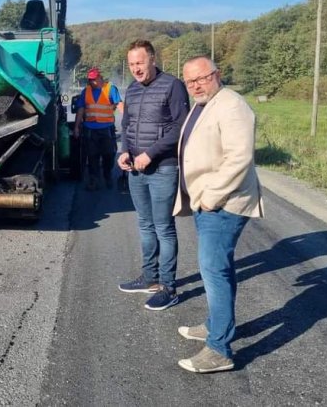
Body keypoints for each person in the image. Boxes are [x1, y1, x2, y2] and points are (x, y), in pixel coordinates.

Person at [172, 55, 264, 373]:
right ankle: (215, 325)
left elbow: (240, 157)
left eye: (202, 78)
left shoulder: (232, 105)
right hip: (207, 201)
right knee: (219, 269)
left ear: (216, 74)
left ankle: (219, 350)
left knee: (213, 271)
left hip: (223, 203)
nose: (196, 85)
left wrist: (211, 197)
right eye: (190, 81)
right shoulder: (204, 104)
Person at [117, 40, 190, 311]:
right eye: (132, 64)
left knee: (163, 228)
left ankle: (168, 287)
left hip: (163, 168)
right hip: (136, 168)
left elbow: (180, 126)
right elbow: (126, 126)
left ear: (152, 59)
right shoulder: (133, 89)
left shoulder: (172, 85)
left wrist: (151, 153)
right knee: (145, 225)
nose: (136, 69)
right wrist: (124, 151)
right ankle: (149, 277)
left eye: (140, 63)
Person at [73, 67, 123, 191]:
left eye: (94, 79)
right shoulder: (86, 91)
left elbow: (120, 105)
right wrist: (76, 127)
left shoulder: (110, 89)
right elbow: (80, 109)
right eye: (90, 80)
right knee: (92, 155)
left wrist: (128, 122)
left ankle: (107, 174)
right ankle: (93, 179)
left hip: (106, 129)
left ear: (100, 78)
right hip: (90, 129)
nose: (92, 82)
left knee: (109, 154)